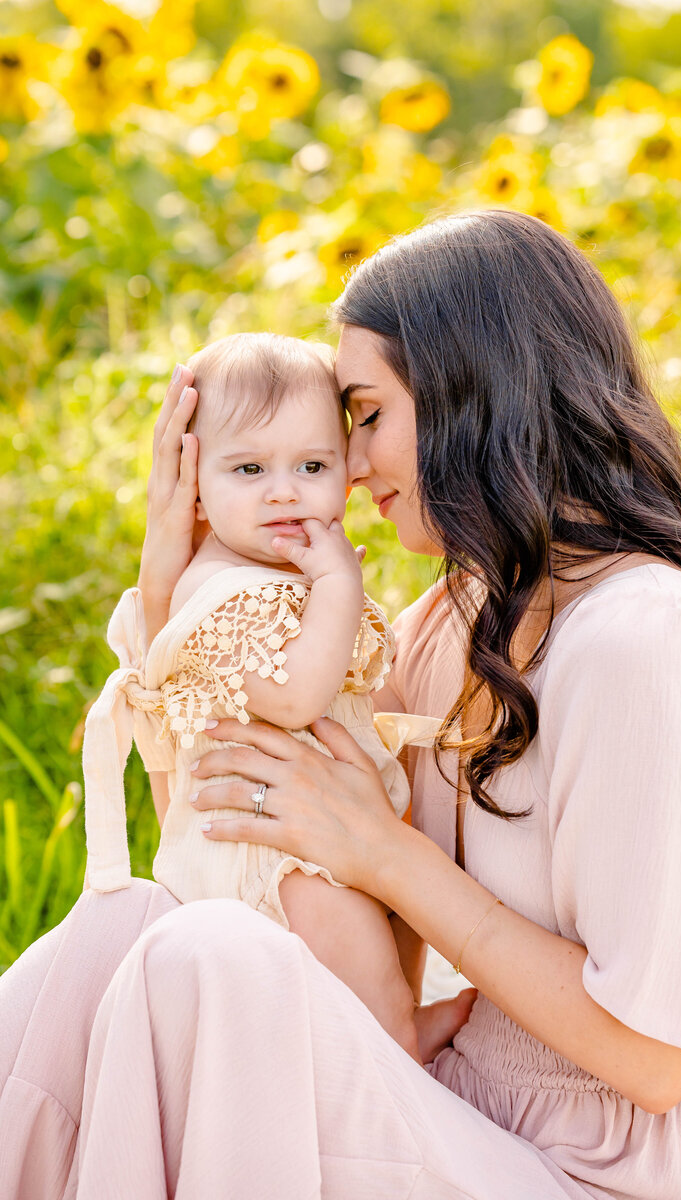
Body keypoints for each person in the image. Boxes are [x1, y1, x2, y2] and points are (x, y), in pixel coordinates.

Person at [0, 208, 681, 1199]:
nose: (352, 465)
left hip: (619, 1170)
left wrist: (385, 854)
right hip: (463, 1107)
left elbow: (651, 1062)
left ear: (478, 394)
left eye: (367, 415)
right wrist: (170, 585)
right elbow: (214, 859)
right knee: (131, 929)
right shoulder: (445, 622)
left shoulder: (645, 640)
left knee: (208, 959)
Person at [81, 330, 435, 1060]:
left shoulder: (271, 573)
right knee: (371, 990)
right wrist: (339, 587)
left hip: (314, 827)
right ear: (197, 486)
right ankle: (401, 1036)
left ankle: (392, 1036)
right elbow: (299, 695)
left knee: (357, 973)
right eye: (248, 468)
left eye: (312, 465)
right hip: (277, 855)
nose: (284, 490)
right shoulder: (219, 591)